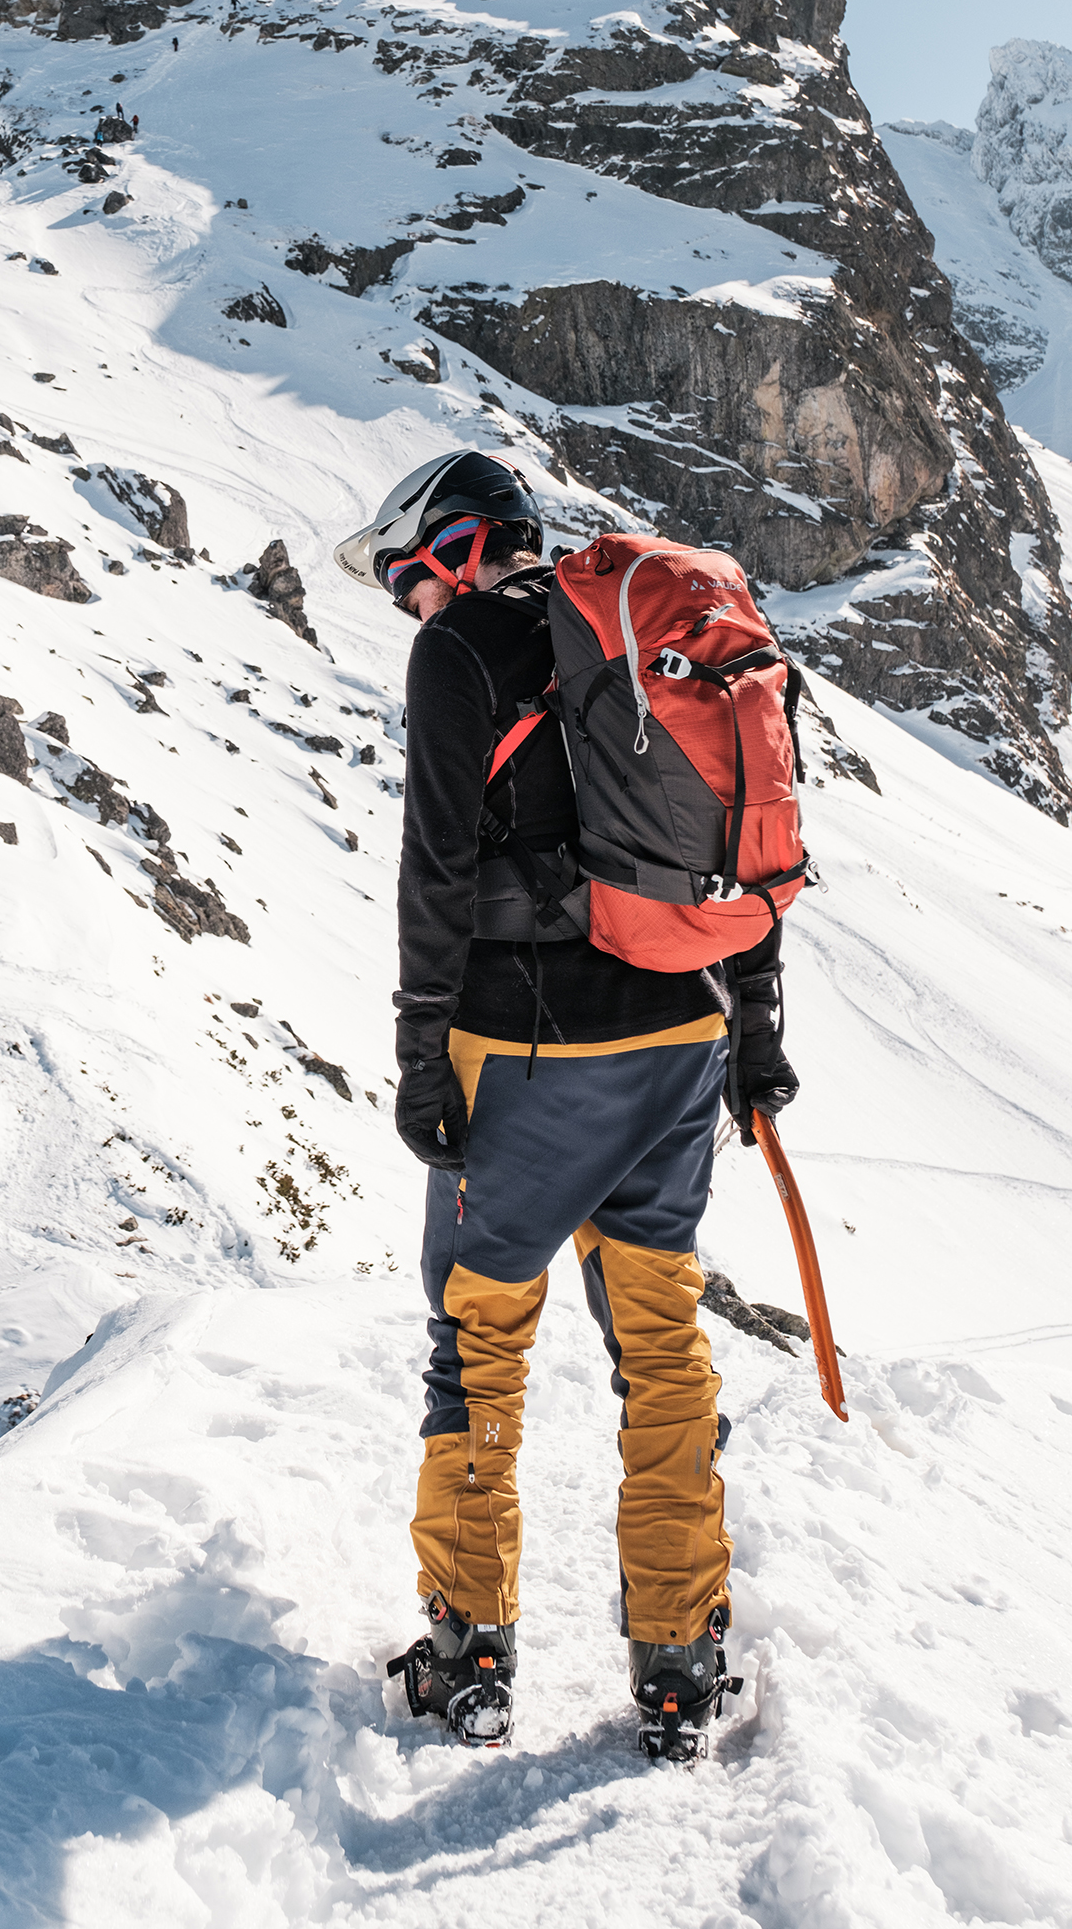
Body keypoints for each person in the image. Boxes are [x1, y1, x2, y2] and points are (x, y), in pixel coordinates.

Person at [335, 451, 797, 1754]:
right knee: (660, 1350)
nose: (402, 603)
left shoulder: (462, 650)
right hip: (675, 1039)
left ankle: (465, 1658)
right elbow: (738, 840)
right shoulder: (647, 635)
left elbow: (437, 864)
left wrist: (423, 1051)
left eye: (402, 576)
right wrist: (754, 1025)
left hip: (519, 1049)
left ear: (453, 550)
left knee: (478, 1345)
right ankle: (680, 1670)